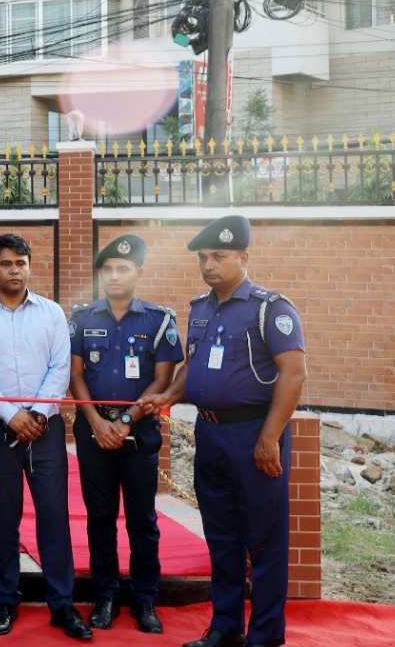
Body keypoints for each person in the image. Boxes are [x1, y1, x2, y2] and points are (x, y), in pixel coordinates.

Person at [140, 215, 306, 647]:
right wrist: (170, 396)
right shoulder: (200, 308)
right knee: (222, 536)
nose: (210, 264)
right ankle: (225, 626)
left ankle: (265, 635)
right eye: (204, 257)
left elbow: (293, 374)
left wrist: (270, 438)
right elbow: (191, 366)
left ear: (243, 257)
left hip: (254, 434)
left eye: (220, 256)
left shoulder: (270, 308)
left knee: (265, 541)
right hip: (209, 435)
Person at [0, 234, 91, 641]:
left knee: (54, 518)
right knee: (4, 519)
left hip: (45, 429)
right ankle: (4, 601)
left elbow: (60, 369)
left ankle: (62, 604)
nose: (14, 270)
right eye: (6, 263)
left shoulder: (52, 313)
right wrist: (11, 414)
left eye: (21, 262)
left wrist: (35, 413)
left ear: (29, 265)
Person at [68, 234, 182, 636]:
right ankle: (105, 596)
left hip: (139, 434)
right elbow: (75, 374)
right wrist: (98, 423)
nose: (114, 276)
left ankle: (145, 599)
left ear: (138, 273)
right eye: (107, 270)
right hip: (94, 433)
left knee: (142, 519)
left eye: (123, 269)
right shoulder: (82, 317)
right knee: (99, 518)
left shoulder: (159, 319)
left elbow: (163, 380)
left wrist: (126, 421)